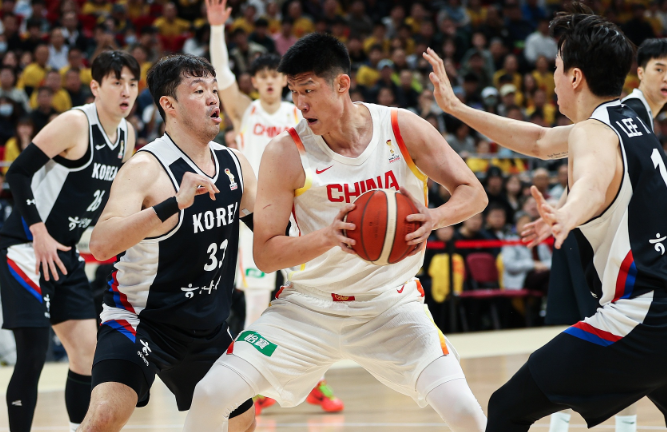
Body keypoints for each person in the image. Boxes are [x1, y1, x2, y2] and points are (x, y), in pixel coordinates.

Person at [183, 32, 489, 432]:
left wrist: (435, 217)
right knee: (210, 394)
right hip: (308, 308)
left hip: (391, 307)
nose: (300, 103)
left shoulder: (401, 127)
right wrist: (329, 236)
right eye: (294, 92)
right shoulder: (285, 152)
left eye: (308, 90)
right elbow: (266, 254)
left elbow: (473, 192)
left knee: (466, 413)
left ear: (341, 84)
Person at [423, 5, 667, 431]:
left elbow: (593, 183)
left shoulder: (593, 131)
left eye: (556, 67)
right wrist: (457, 108)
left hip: (643, 316)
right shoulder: (631, 117)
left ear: (574, 77)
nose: (552, 77)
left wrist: (567, 214)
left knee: (507, 407)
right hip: (659, 312)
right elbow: (538, 141)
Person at [78, 53, 256, 432]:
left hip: (208, 328)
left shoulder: (236, 165)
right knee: (105, 417)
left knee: (242, 424)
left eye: (213, 89)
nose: (213, 98)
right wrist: (172, 204)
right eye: (199, 90)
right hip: (141, 321)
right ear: (169, 105)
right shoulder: (145, 169)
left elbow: (277, 234)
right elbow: (101, 245)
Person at [207, 0, 344, 414]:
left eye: (274, 77)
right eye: (263, 77)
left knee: (312, 298)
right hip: (257, 216)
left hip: (298, 216)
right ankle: (254, 386)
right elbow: (222, 75)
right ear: (255, 82)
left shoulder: (298, 112)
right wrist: (218, 29)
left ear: (283, 83)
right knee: (256, 301)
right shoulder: (244, 111)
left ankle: (313, 380)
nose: (269, 83)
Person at [0, 50, 139, 432]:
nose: (126, 91)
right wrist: (38, 231)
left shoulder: (126, 135)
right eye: (117, 82)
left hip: (67, 252)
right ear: (95, 87)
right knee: (33, 355)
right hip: (26, 247)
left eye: (132, 83)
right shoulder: (76, 123)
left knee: (86, 353)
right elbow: (17, 172)